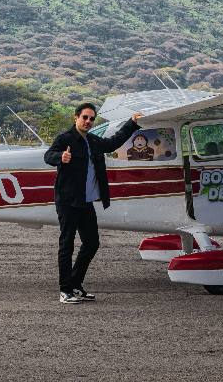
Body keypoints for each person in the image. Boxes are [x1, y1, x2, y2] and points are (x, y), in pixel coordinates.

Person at [44, 102, 142, 304]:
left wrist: (132, 123)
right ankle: (65, 291)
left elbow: (113, 143)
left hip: (86, 201)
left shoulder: (92, 141)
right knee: (67, 245)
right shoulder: (65, 139)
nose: (88, 121)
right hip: (68, 202)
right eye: (84, 117)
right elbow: (48, 155)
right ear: (76, 118)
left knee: (92, 243)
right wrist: (60, 157)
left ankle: (75, 285)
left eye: (91, 118)